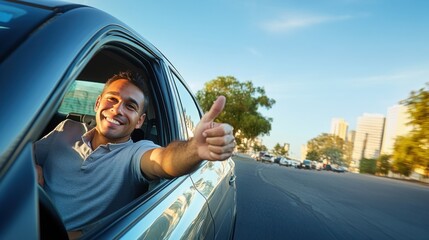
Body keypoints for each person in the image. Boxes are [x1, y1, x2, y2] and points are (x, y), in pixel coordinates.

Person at [34, 71, 235, 237]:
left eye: (130, 106)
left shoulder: (136, 153)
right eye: (112, 99)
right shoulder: (66, 129)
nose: (117, 110)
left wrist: (194, 149)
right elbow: (15, 159)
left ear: (139, 121)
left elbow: (163, 161)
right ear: (97, 104)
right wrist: (33, 168)